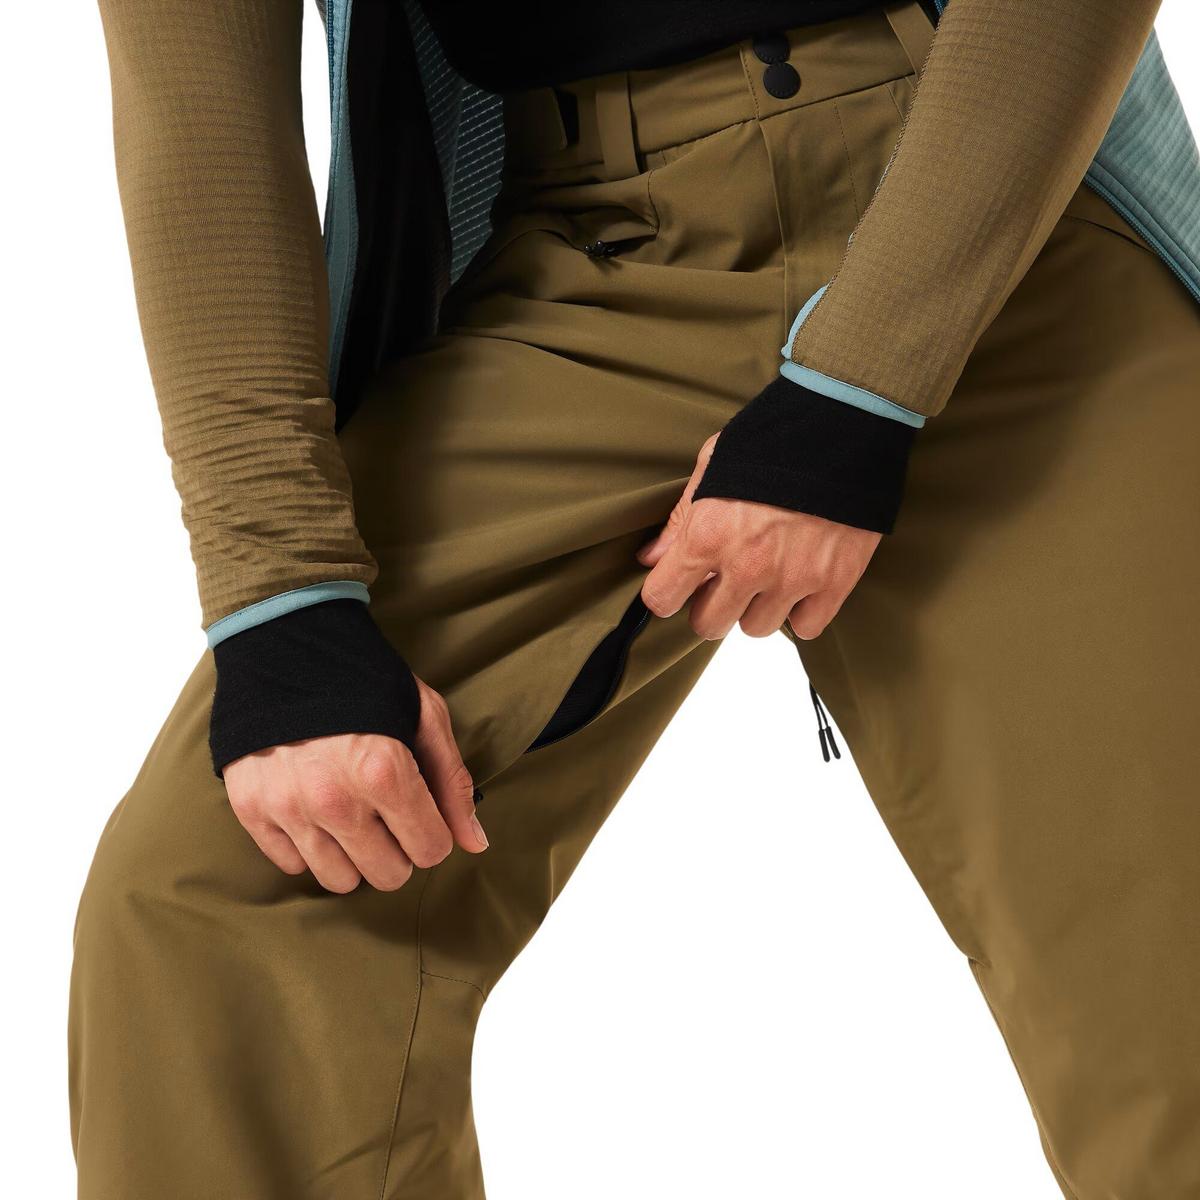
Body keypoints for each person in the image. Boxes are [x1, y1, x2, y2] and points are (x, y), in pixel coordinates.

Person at [70, 0, 1200, 1195]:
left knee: (1167, 969)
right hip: (594, 252)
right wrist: (281, 603)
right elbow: (199, 112)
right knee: (224, 902)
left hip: (992, 197)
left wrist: (863, 386)